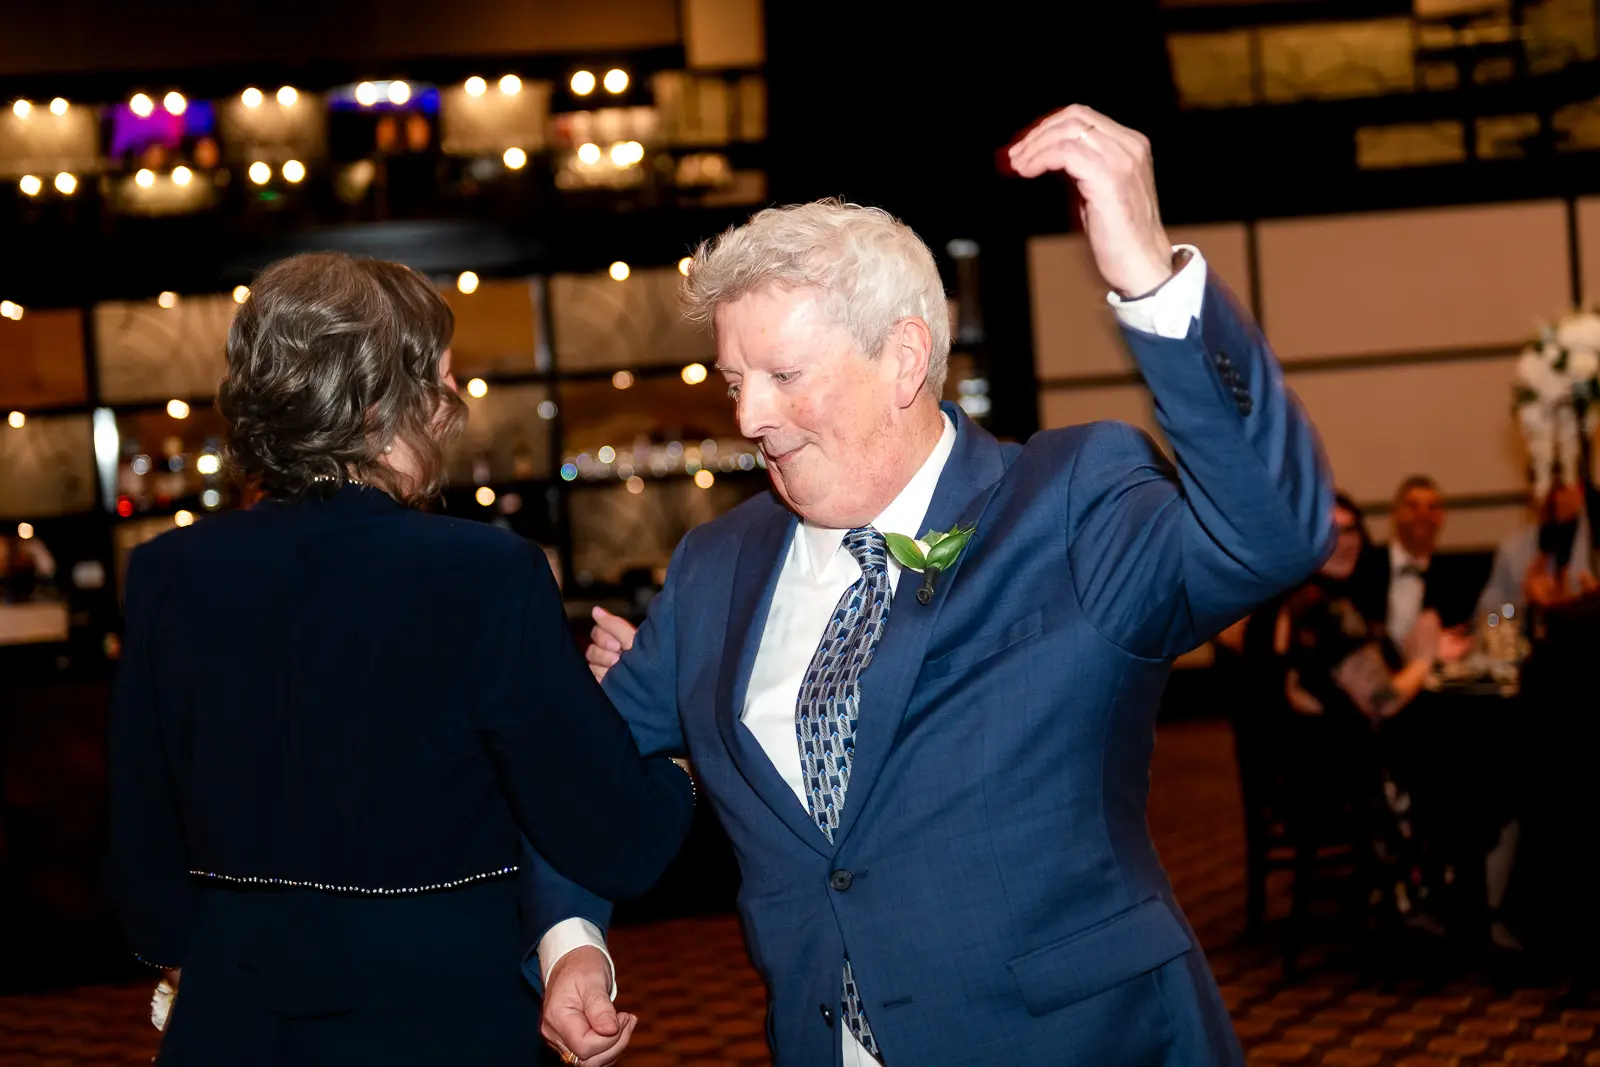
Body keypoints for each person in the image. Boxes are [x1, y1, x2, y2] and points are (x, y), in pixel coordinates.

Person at [528, 104, 1335, 1067]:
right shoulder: (715, 567)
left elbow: (1275, 532)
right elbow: (575, 770)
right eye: (734, 379)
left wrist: (1151, 281)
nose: (749, 416)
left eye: (783, 373)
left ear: (904, 358)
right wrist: (571, 943)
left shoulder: (1067, 501)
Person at [106, 252, 696, 1066]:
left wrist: (190, 971)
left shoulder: (167, 572)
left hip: (234, 1015)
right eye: (443, 382)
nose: (453, 407)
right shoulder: (486, 573)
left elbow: (142, 847)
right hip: (442, 1013)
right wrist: (670, 738)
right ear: (382, 403)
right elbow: (613, 834)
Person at [1476, 478, 1596, 623]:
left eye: (1562, 488)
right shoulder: (1512, 551)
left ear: (1580, 490)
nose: (1556, 498)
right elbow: (1487, 616)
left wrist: (1590, 602)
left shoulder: (1594, 547)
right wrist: (1523, 603)